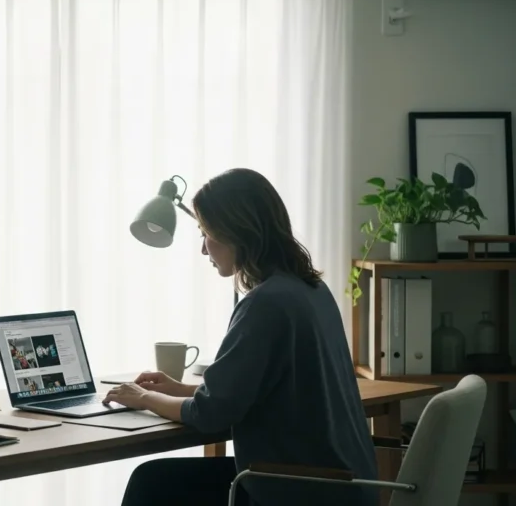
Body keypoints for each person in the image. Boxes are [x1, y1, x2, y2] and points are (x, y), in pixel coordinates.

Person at [104, 168, 378, 506]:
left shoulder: (265, 304)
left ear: (237, 233)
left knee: (152, 483)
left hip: (303, 490)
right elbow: (250, 393)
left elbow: (210, 415)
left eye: (206, 233)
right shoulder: (311, 290)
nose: (204, 249)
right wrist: (178, 389)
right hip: (344, 485)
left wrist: (143, 399)